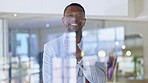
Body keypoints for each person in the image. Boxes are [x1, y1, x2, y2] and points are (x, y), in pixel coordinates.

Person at [42, 3, 106, 83]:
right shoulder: (51, 47)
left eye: (79, 16)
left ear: (84, 21)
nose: (74, 19)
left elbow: (100, 80)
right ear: (63, 20)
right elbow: (48, 81)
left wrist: (80, 56)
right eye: (70, 15)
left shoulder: (96, 46)